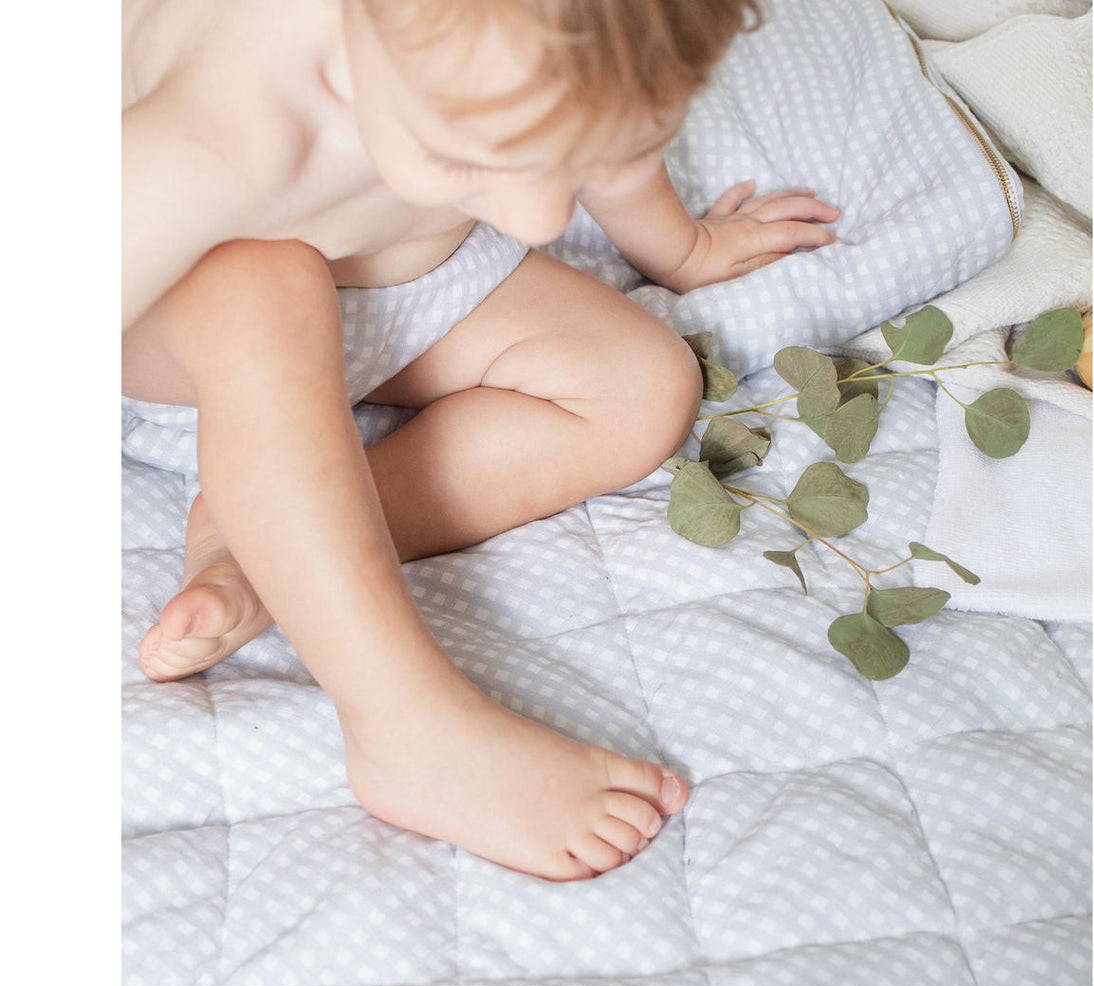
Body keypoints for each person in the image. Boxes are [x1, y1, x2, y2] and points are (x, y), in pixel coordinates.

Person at [122, 0, 840, 880]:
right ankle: (405, 727)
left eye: (571, 162)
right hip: (174, 321)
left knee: (643, 388)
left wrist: (683, 248)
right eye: (474, 157)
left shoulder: (513, 59)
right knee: (264, 284)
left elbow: (609, 131)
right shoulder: (228, 127)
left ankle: (263, 538)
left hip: (403, 282)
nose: (539, 218)